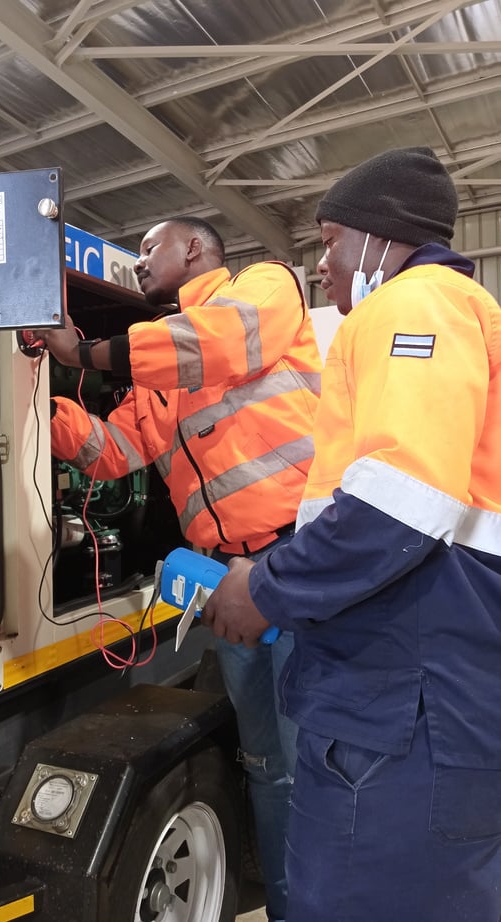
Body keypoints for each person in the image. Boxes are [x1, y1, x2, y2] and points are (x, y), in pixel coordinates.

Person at [200, 146, 501, 922]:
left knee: (363, 896)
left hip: (407, 695)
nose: (322, 264)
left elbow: (401, 500)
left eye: (330, 240)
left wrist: (265, 587)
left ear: (379, 236)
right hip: (422, 680)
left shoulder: (417, 306)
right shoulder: (452, 314)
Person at [41, 216, 323, 921]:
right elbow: (117, 450)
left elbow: (215, 343)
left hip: (297, 570)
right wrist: (32, 412)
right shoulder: (162, 372)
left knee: (316, 765)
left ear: (193, 248)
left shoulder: (263, 288)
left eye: (148, 249)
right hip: (227, 586)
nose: (138, 263)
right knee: (268, 768)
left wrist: (91, 351)